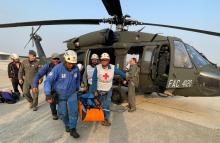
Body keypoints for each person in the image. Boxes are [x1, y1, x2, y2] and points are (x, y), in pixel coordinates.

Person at [44, 50, 80, 138]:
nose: (71, 65)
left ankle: (73, 129)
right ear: (65, 60)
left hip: (72, 93)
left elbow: (78, 78)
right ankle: (67, 125)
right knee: (63, 113)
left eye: (73, 63)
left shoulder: (76, 68)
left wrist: (77, 87)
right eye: (69, 63)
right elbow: (48, 80)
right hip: (61, 95)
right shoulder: (57, 68)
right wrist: (48, 93)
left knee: (74, 112)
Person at [91, 52, 125, 126]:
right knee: (99, 104)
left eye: (106, 60)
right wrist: (94, 91)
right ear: (100, 60)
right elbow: (94, 80)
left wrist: (126, 77)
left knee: (106, 105)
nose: (104, 61)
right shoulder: (97, 67)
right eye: (103, 60)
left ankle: (105, 119)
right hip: (99, 90)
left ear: (108, 60)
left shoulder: (113, 67)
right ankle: (99, 116)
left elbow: (121, 73)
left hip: (108, 90)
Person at [32, 53, 60, 120]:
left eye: (57, 59)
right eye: (54, 59)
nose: (56, 60)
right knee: (52, 102)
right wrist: (34, 85)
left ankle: (61, 113)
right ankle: (54, 113)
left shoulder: (62, 66)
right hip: (51, 88)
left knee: (61, 102)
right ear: (51, 59)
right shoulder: (47, 66)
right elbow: (38, 75)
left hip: (61, 88)